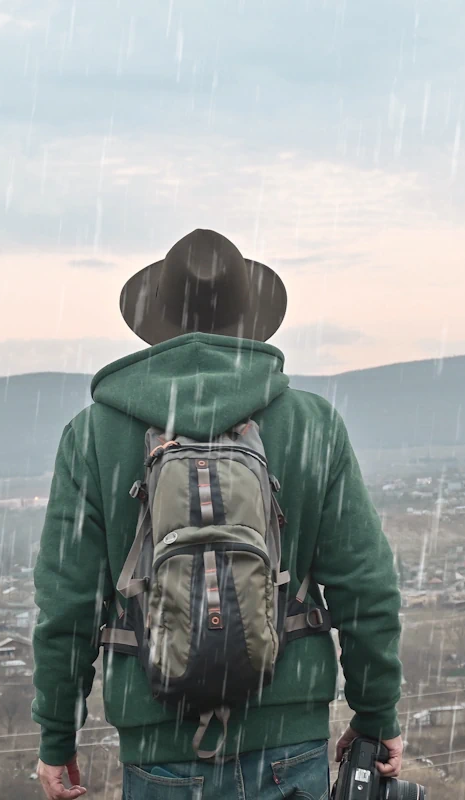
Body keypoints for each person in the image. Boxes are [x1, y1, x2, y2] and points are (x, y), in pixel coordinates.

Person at [32, 229, 403, 799]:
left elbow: (68, 607)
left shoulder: (94, 435)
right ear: (248, 319)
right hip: (286, 741)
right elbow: (366, 587)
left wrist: (58, 739)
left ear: (156, 319)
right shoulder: (310, 424)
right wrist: (376, 716)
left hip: (160, 754)